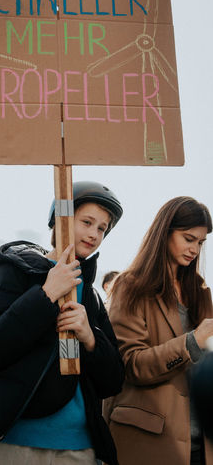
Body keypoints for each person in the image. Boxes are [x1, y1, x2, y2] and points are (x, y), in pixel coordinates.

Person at [0, 181, 125, 465]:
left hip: (76, 449)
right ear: (60, 219)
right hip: (12, 442)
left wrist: (91, 339)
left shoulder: (90, 296)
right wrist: (45, 295)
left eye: (102, 228)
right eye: (87, 222)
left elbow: (113, 381)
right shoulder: (15, 272)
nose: (94, 234)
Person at [104, 196, 213, 465]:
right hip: (149, 441)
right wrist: (192, 342)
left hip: (201, 444)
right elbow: (130, 364)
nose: (195, 250)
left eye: (200, 242)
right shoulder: (130, 286)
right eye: (189, 239)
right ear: (164, 232)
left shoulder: (201, 291)